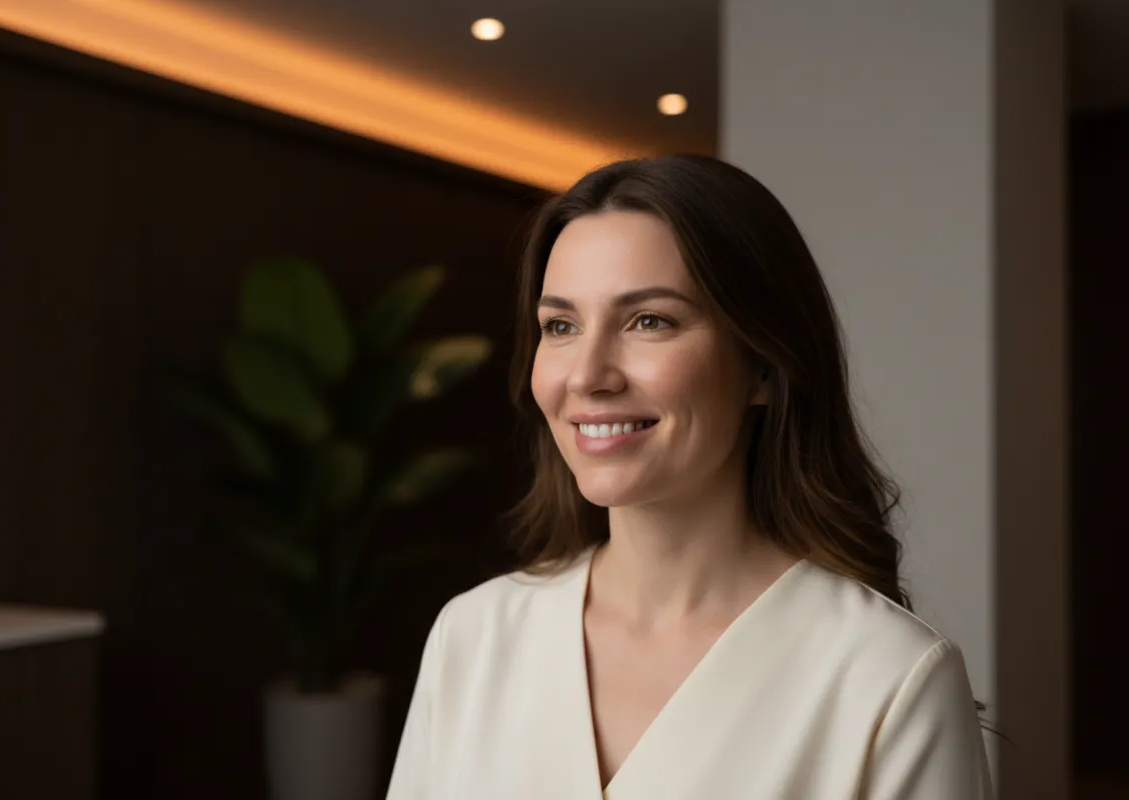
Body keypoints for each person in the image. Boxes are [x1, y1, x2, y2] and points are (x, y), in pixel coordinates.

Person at [385, 155, 994, 799]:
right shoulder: (475, 637)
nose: (588, 374)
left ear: (762, 365)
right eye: (560, 326)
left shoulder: (889, 676)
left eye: (650, 321)